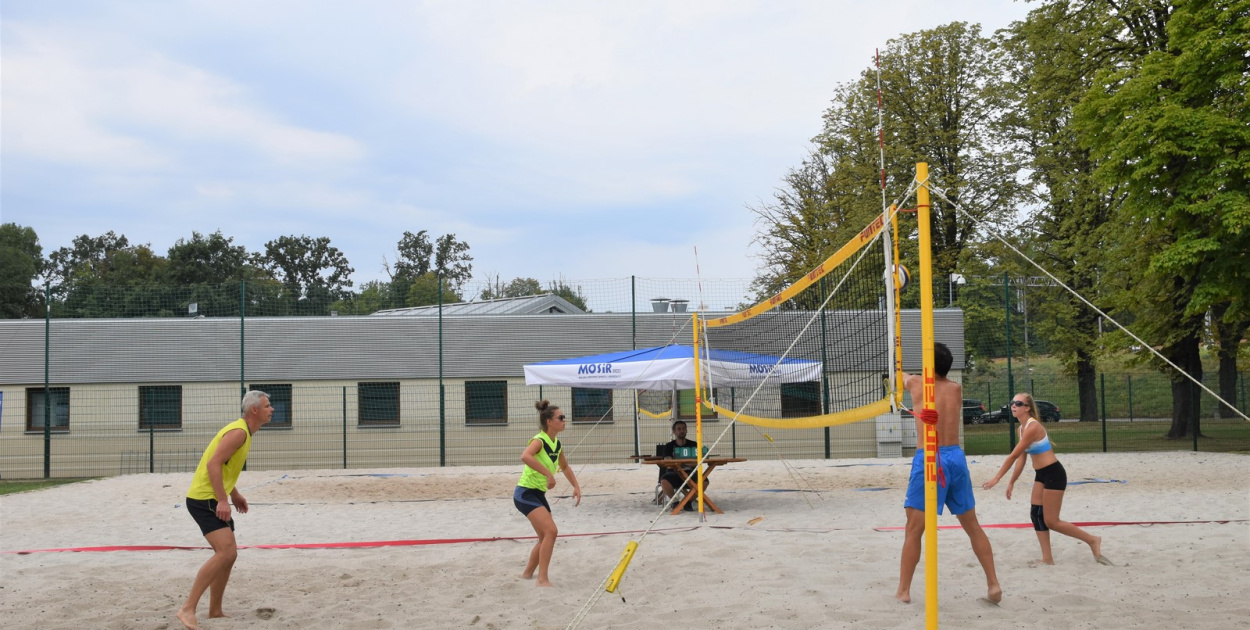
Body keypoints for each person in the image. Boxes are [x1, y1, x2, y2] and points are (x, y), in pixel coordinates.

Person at [896, 342, 1002, 604]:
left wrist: (896, 362)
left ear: (928, 365)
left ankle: (904, 592)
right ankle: (993, 584)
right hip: (955, 457)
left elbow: (900, 376)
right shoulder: (956, 388)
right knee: (973, 526)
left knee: (913, 530)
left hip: (930, 456)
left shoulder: (918, 384)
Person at [177, 390, 274, 630]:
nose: (271, 409)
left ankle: (215, 611)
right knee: (226, 552)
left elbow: (224, 466)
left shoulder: (245, 431)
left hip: (212, 497)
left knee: (229, 555)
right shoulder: (239, 432)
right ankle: (187, 608)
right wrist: (222, 500)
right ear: (254, 410)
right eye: (267, 406)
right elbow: (213, 463)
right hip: (204, 499)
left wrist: (234, 493)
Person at [982, 392, 1108, 565]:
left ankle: (1092, 539)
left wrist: (996, 478)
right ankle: (1047, 559)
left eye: (1018, 403)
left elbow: (1013, 455)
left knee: (1052, 521)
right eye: (1012, 402)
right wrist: (1011, 481)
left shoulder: (1033, 427)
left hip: (1054, 474)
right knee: (1036, 514)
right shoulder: (1021, 428)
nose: (1013, 405)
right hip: (1041, 474)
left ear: (1027, 408)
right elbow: (1021, 458)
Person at [514, 400, 582, 587]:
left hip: (538, 494)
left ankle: (528, 574)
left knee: (545, 536)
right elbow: (525, 456)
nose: (564, 420)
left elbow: (565, 467)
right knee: (551, 531)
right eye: (561, 417)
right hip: (525, 493)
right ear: (549, 422)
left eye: (564, 417)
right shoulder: (540, 440)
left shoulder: (556, 444)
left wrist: (576, 486)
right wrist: (548, 474)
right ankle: (542, 579)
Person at [658, 420, 706, 509]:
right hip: (674, 473)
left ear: (686, 430)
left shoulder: (694, 444)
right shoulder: (669, 446)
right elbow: (668, 462)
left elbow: (697, 461)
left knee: (705, 482)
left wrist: (677, 462)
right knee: (664, 481)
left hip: (691, 473)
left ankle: (688, 501)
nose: (681, 431)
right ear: (674, 432)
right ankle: (675, 502)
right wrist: (686, 462)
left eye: (684, 428)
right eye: (679, 429)